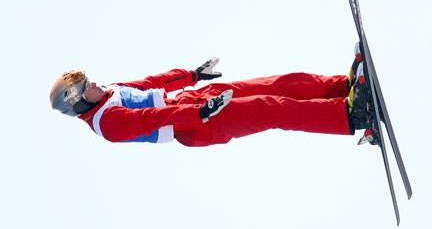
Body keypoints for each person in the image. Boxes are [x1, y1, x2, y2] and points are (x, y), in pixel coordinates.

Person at [49, 43, 373, 147]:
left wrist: (192, 76)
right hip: (196, 124)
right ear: (77, 101)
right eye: (84, 86)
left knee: (278, 83)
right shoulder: (107, 124)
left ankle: (343, 88)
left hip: (197, 100)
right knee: (269, 108)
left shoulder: (109, 93)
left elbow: (149, 83)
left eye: (87, 79)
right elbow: (151, 117)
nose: (93, 84)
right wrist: (198, 113)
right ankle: (350, 114)